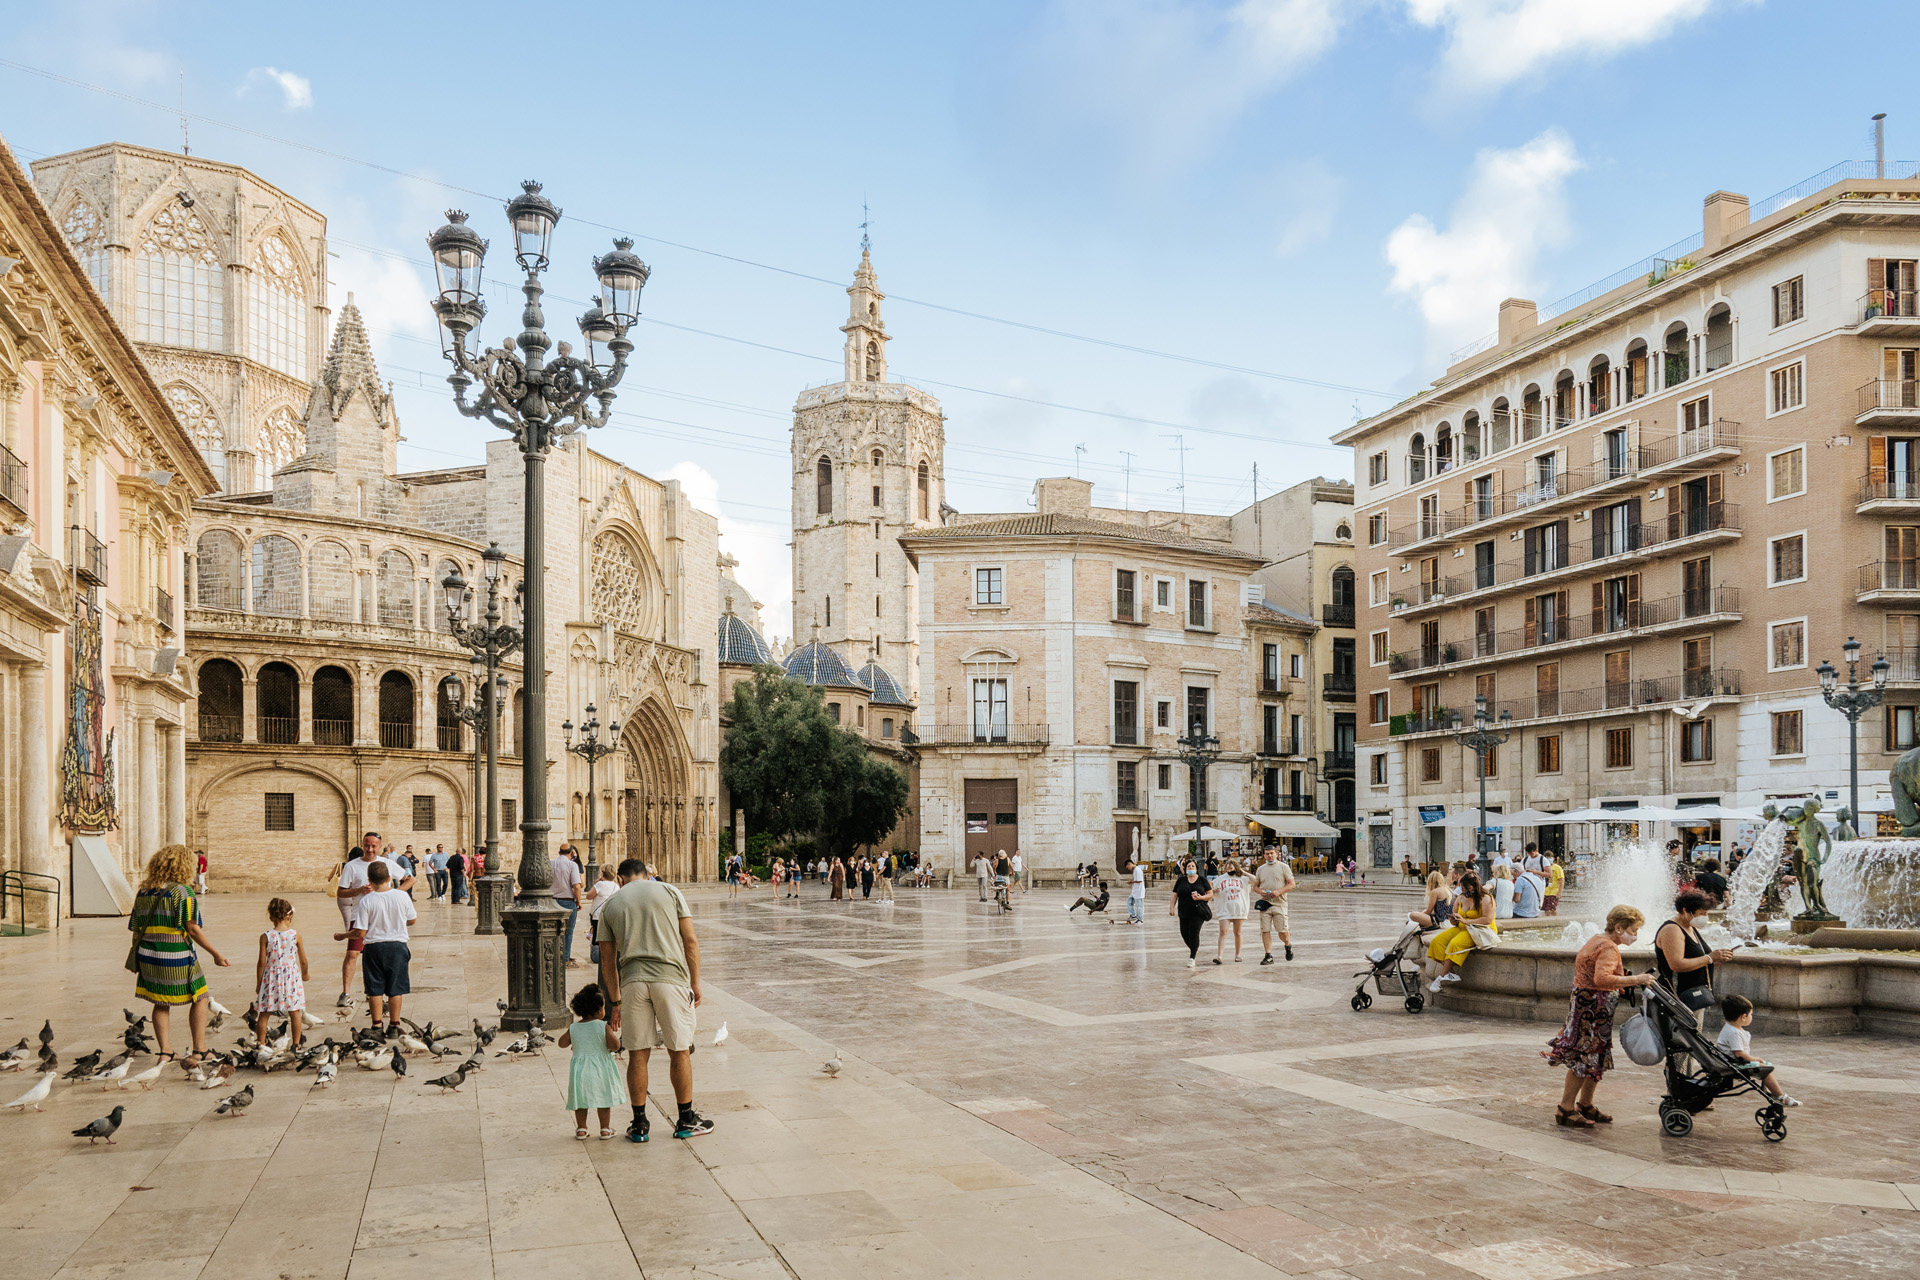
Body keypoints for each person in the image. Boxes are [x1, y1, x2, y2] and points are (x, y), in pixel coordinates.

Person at [596, 856, 714, 1142]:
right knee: (679, 1049)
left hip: (634, 982)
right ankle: (685, 1119)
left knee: (638, 1053)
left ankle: (639, 1125)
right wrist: (695, 982)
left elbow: (607, 962)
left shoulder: (612, 904)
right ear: (646, 874)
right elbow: (690, 940)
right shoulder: (670, 891)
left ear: (621, 879)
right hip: (671, 980)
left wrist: (616, 1002)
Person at [1544, 905, 1656, 1127]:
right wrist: (1637, 980)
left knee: (1594, 1056)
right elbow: (1601, 979)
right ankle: (1565, 1108)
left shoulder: (1597, 939)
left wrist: (1622, 979)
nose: (1635, 935)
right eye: (1633, 930)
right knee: (1584, 1057)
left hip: (1589, 1008)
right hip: (1593, 1011)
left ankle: (1585, 1104)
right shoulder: (1608, 947)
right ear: (1618, 927)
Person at [128, 844, 231, 1066]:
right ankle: (200, 1050)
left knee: (160, 1001)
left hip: (147, 955)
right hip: (176, 955)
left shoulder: (144, 892)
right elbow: (192, 929)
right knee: (201, 996)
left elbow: (136, 930)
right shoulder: (182, 892)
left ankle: (166, 1052)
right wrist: (216, 954)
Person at [339, 860, 416, 1036]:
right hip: (397, 947)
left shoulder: (367, 900)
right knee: (395, 988)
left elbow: (360, 932)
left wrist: (343, 936)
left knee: (375, 989)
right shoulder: (402, 896)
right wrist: (397, 923)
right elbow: (412, 920)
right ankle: (394, 1026)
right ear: (389, 878)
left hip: (374, 949)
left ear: (370, 881)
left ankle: (376, 1026)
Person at [334, 835, 409, 1008]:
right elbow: (340, 892)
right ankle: (345, 992)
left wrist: (395, 893)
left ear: (380, 846)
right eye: (367, 846)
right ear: (362, 845)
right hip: (359, 916)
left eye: (374, 846)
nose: (370, 850)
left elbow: (410, 878)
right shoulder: (352, 866)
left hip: (381, 916)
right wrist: (359, 890)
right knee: (352, 953)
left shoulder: (387, 863)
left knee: (378, 955)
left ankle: (374, 993)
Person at [1655, 889, 1732, 1048]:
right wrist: (1710, 958)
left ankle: (1686, 1073)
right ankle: (1679, 1074)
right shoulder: (1672, 929)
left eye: (1706, 913)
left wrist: (1715, 959)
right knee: (1682, 1046)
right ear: (1684, 910)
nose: (1705, 917)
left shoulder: (1689, 926)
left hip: (1693, 996)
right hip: (1679, 997)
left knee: (1692, 1046)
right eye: (1701, 913)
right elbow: (1676, 964)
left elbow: (1697, 958)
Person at [562, 983, 629, 1140]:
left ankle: (581, 1129)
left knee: (580, 1099)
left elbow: (562, 1043)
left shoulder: (574, 1027)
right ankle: (605, 1129)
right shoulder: (602, 1026)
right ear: (599, 1009)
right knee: (604, 1098)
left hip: (580, 1070)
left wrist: (575, 1039)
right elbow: (616, 1046)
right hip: (601, 1069)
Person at [1717, 995, 1801, 1107]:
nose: (1751, 1017)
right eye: (1750, 1014)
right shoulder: (1734, 1033)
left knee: (1764, 1067)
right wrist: (1755, 1059)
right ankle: (1780, 1096)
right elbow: (1739, 1054)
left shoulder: (1730, 1028)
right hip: (1734, 1064)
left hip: (1732, 1062)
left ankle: (1771, 1092)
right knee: (1765, 1069)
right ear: (1743, 1017)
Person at [1426, 869, 1497, 992]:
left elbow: (1488, 920)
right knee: (1436, 942)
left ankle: (1441, 977)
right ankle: (1449, 972)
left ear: (1475, 886)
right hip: (1462, 927)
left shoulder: (1486, 898)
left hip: (1480, 930)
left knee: (1455, 944)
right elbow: (1455, 916)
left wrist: (1466, 921)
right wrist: (1454, 920)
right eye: (1462, 888)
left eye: (1467, 889)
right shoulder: (1460, 898)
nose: (1464, 891)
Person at [254, 897, 309, 1050]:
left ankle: (261, 1044)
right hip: (291, 977)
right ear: (289, 915)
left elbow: (261, 963)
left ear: (271, 916)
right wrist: (305, 973)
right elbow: (303, 959)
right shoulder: (295, 935)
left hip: (271, 977)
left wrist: (259, 983)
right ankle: (296, 1044)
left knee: (264, 1012)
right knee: (294, 1011)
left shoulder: (265, 936)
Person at [1169, 860, 1216, 969]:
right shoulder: (1181, 880)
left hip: (1197, 912)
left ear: (1196, 868)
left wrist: (1201, 898)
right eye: (1188, 866)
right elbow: (1174, 895)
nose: (1190, 867)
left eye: (1193, 866)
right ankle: (1194, 949)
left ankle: (1192, 957)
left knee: (1194, 933)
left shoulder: (1202, 880)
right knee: (1184, 933)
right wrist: (1171, 907)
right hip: (1183, 911)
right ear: (1185, 869)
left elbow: (1210, 894)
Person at [1253, 848, 1296, 963]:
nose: (1270, 856)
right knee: (1265, 930)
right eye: (1267, 854)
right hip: (1265, 903)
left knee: (1282, 931)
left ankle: (1287, 945)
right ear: (1264, 855)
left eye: (1272, 853)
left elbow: (1292, 884)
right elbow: (1255, 886)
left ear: (1276, 854)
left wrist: (1279, 892)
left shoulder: (1284, 867)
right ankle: (1268, 955)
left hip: (1280, 903)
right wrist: (1259, 891)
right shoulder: (1260, 869)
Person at [551, 843, 584, 969]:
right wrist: (579, 901)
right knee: (568, 931)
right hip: (567, 901)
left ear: (559, 852)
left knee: (554, 930)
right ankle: (564, 958)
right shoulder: (572, 865)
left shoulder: (550, 862)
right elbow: (577, 885)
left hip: (552, 901)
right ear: (571, 853)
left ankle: (553, 955)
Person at [1212, 857, 1250, 964]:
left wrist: (1243, 872)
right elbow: (1210, 890)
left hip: (1239, 909)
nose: (1229, 870)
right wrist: (1214, 890)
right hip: (1225, 908)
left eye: (1231, 868)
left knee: (1237, 932)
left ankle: (1238, 954)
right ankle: (1220, 956)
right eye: (1227, 868)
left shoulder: (1242, 879)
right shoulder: (1220, 879)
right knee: (1223, 931)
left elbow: (1256, 880)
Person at [585, 865, 619, 965]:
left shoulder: (600, 884)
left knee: (597, 937)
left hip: (598, 915)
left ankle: (597, 957)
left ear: (603, 873)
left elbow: (588, 896)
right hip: (610, 915)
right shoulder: (616, 886)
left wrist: (597, 884)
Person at [1126, 858, 1147, 926]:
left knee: (1139, 905)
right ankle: (1133, 915)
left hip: (1139, 891)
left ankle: (1140, 919)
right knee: (1129, 900)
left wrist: (1131, 882)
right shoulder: (1135, 870)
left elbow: (1139, 880)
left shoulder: (1137, 870)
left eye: (1128, 867)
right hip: (1135, 890)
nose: (1129, 869)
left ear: (1130, 864)